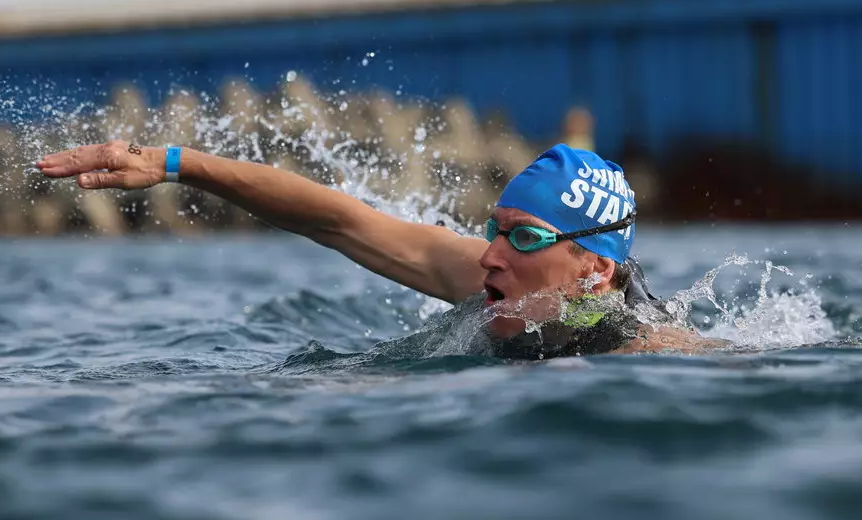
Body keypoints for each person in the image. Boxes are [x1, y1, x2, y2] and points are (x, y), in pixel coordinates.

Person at [36, 140, 726, 357]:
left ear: (594, 269)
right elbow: (340, 221)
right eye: (494, 230)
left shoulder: (642, 347)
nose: (489, 256)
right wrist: (180, 163)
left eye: (522, 238)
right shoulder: (494, 280)